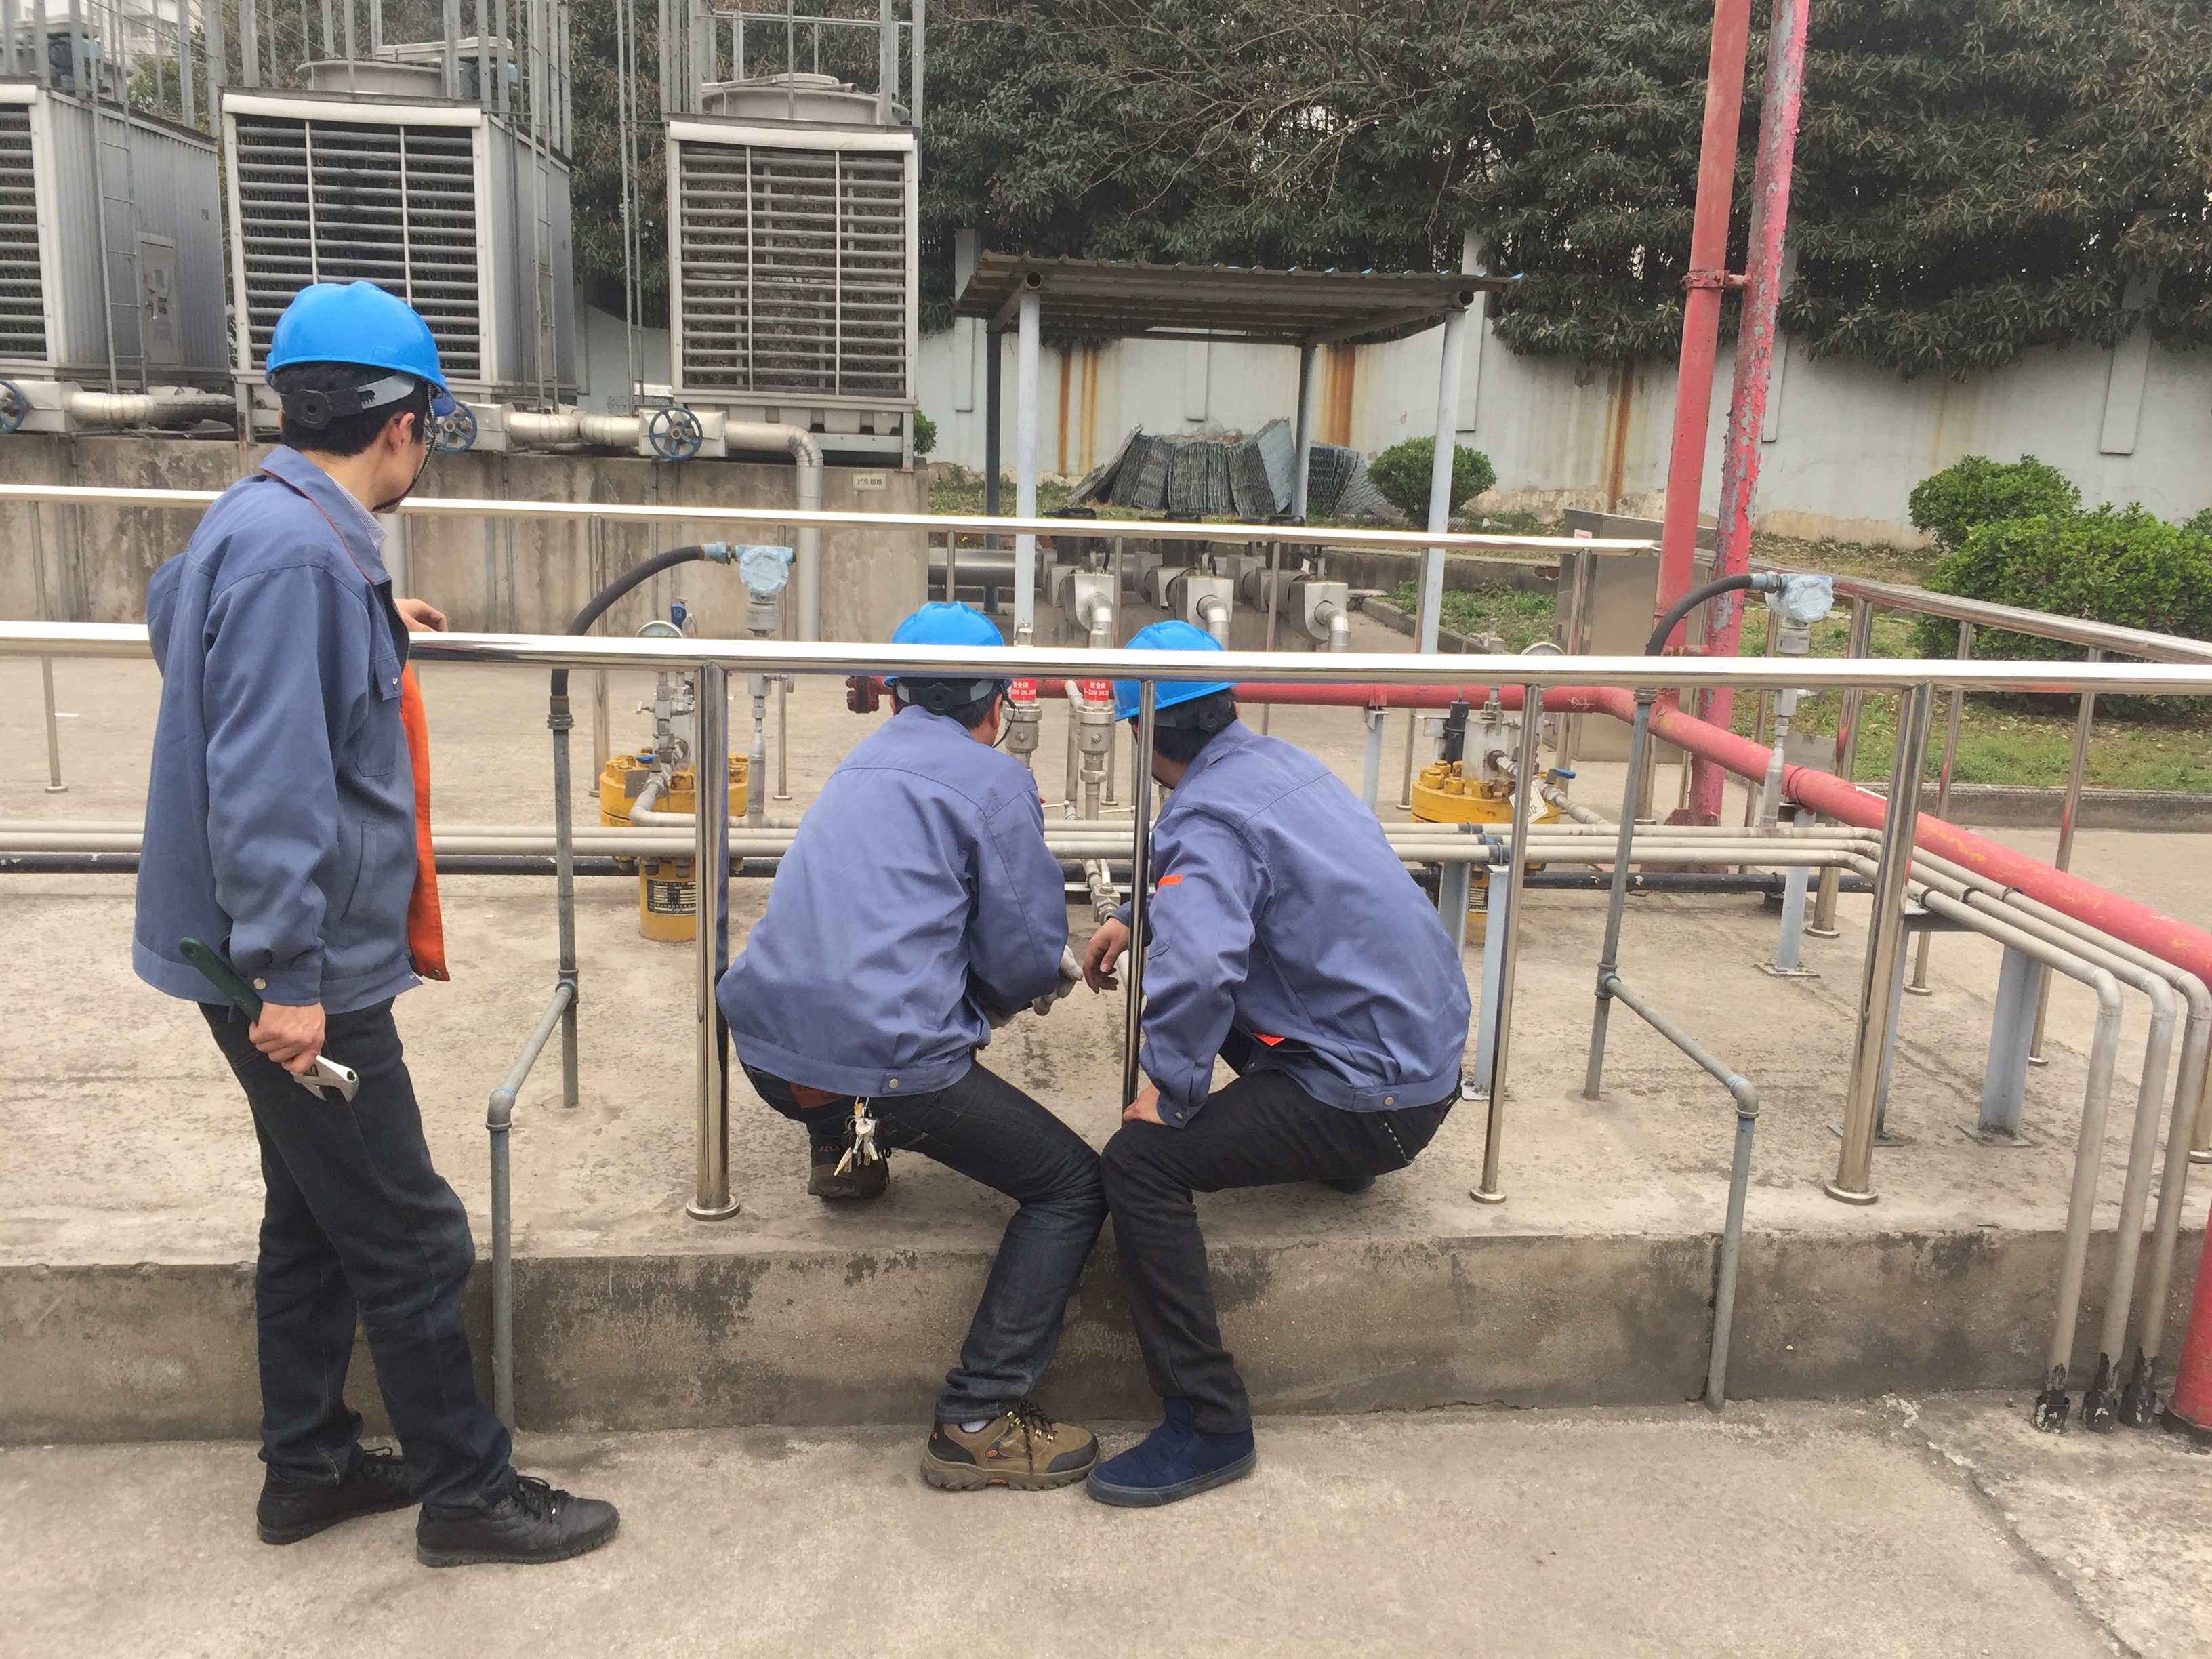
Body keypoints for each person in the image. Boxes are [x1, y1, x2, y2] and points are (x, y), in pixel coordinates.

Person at [134, 281, 619, 1568]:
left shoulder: (267, 520)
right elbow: (268, 785)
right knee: (411, 1232)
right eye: (435, 431)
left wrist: (357, 622)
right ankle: (470, 1494)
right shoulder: (302, 558)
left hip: (248, 953)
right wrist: (291, 975)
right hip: (300, 971)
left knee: (312, 1215)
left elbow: (177, 610)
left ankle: (309, 1466)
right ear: (402, 427)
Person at [1080, 621, 1473, 1507]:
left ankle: (1208, 1421)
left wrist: (1167, 1093)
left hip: (1370, 1101)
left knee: (1138, 1163)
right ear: (1226, 705)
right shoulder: (1281, 765)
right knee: (1226, 980)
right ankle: (1339, 1159)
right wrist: (1141, 914)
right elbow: (1242, 885)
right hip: (1427, 1069)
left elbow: (1201, 969)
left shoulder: (1203, 813)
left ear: (1142, 731)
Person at [718, 600, 1105, 1490]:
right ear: (997, 706)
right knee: (1072, 1187)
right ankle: (977, 1418)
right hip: (881, 1066)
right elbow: (1020, 955)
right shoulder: (994, 781)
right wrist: (1028, 985)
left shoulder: (856, 765)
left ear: (891, 696)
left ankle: (845, 1153)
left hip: (765, 1051)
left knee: (855, 1009)